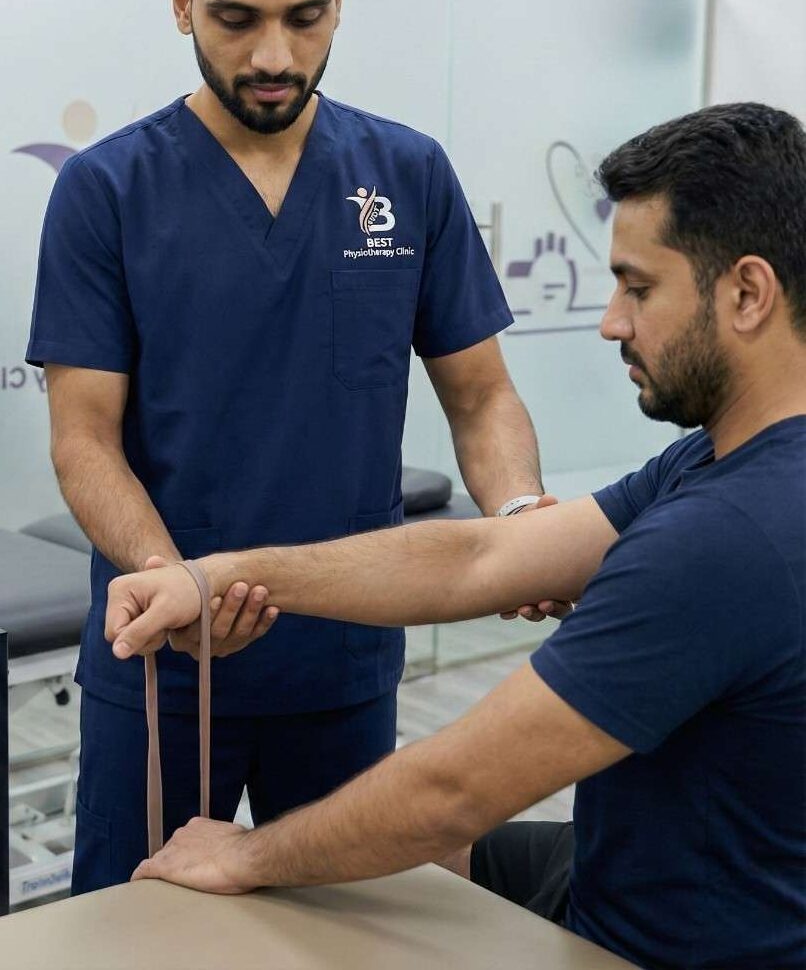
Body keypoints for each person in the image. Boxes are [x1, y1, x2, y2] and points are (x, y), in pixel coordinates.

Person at [108, 103, 805, 970]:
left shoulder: (722, 537)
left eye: (639, 287)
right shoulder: (717, 460)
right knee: (397, 862)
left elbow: (452, 790)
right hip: (658, 856)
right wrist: (222, 575)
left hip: (671, 937)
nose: (611, 323)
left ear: (747, 293)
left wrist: (246, 852)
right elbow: (487, 556)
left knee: (353, 860)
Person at [26, 0, 543, 895]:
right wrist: (179, 586)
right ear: (180, 1)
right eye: (234, 19)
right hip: (165, 666)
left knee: (345, 930)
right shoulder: (105, 192)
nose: (273, 53)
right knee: (142, 940)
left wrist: (523, 517)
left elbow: (479, 394)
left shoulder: (405, 176)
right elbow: (83, 438)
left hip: (344, 663)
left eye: (306, 17)